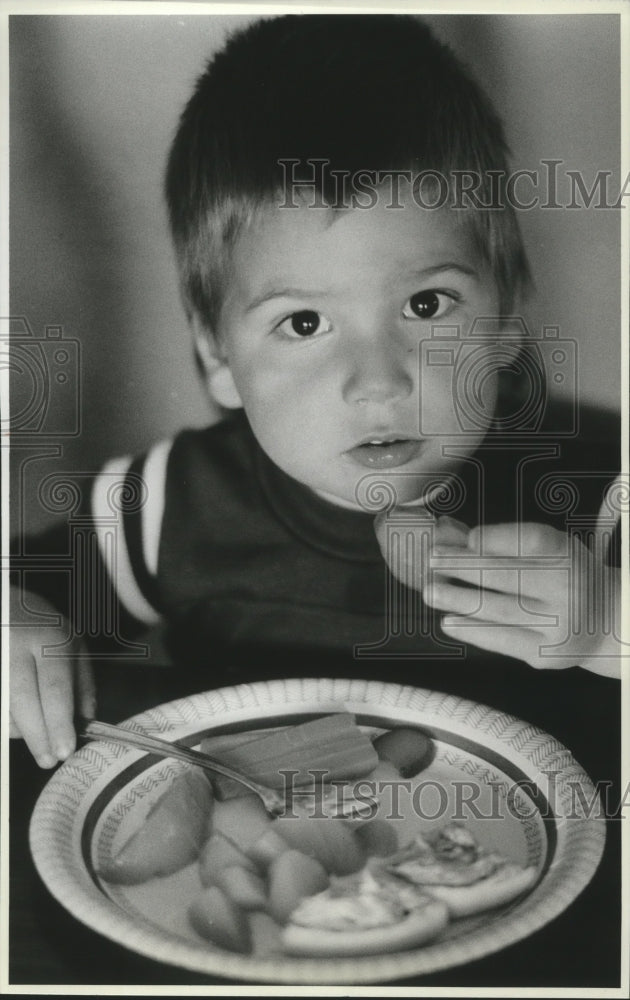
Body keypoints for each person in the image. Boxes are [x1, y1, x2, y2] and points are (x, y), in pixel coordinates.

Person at [10, 14, 622, 774]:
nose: (376, 381)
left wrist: (606, 626)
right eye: (304, 322)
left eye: (426, 306)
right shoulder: (172, 504)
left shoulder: (595, 493)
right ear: (217, 355)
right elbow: (21, 595)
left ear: (507, 316)